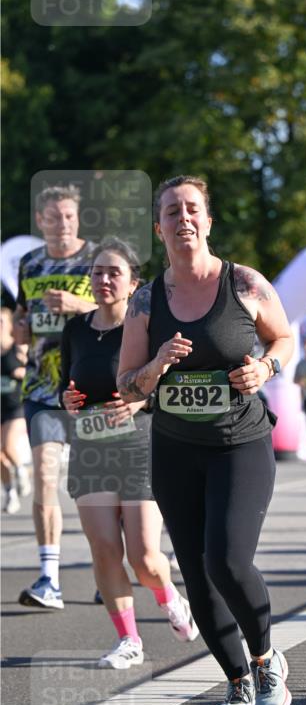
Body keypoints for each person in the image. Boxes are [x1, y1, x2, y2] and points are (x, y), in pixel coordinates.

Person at [117, 175, 294, 705]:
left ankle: (266, 660)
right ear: (159, 228)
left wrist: (264, 367)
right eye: (171, 211)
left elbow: (284, 337)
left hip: (240, 443)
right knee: (194, 571)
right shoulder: (146, 300)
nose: (183, 218)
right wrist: (158, 364)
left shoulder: (243, 283)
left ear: (208, 222)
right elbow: (127, 385)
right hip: (175, 450)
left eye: (192, 209)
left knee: (226, 558)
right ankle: (237, 683)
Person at [59, 238, 198, 660]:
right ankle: (129, 641)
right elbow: (69, 383)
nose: (103, 280)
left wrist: (140, 399)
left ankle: (172, 599)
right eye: (97, 272)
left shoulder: (145, 326)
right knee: (103, 548)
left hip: (138, 444)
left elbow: (167, 385)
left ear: (133, 283)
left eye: (113, 272)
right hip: (91, 446)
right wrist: (67, 400)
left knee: (143, 558)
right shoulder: (76, 329)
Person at [14, 185, 97, 609]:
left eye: (68, 216)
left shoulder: (98, 259)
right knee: (46, 477)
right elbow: (22, 319)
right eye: (53, 217)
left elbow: (121, 312)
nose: (62, 223)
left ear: (77, 218)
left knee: (96, 490)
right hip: (44, 390)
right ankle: (50, 579)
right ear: (41, 220)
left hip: (92, 388)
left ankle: (110, 568)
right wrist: (21, 331)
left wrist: (77, 304)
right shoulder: (29, 265)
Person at [1, 307, 30, 513]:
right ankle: (10, 492)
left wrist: (22, 371)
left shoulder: (17, 348)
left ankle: (21, 471)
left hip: (16, 406)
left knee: (9, 446)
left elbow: (33, 369)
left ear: (10, 325)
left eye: (1, 321)